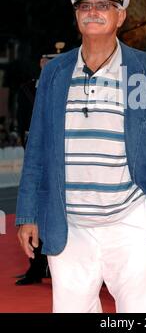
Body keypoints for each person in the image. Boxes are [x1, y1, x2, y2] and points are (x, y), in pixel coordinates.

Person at [15, 0, 146, 313]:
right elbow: (38, 150)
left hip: (132, 224)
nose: (93, 12)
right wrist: (28, 214)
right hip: (70, 227)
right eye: (86, 5)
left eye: (104, 5)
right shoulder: (55, 73)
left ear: (121, 16)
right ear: (77, 15)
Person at [15, 47, 64, 285]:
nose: (49, 65)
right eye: (46, 60)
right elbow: (23, 122)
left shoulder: (67, 86)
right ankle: (36, 267)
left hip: (61, 158)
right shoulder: (28, 89)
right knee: (36, 211)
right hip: (37, 156)